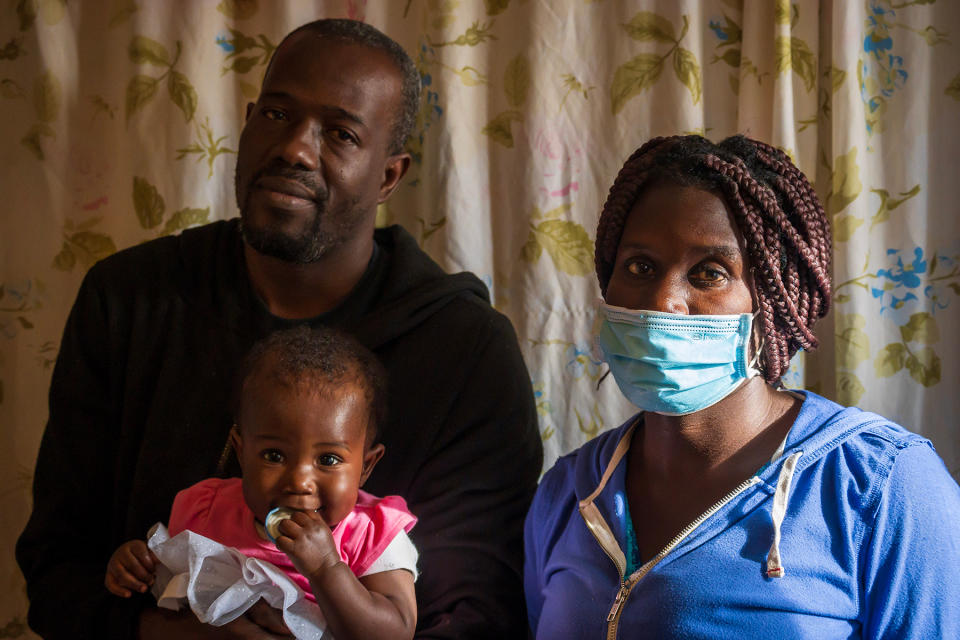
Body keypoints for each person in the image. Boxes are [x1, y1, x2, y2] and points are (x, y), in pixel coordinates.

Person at [17, 18, 541, 639]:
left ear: (388, 177)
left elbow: (480, 616)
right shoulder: (129, 300)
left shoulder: (465, 351)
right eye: (275, 115)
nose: (294, 148)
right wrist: (165, 633)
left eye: (341, 133)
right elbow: (56, 570)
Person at [523, 135, 960, 638]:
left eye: (710, 273)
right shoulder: (567, 494)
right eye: (640, 267)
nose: (665, 299)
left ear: (771, 303)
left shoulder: (881, 487)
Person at [106, 326, 418, 639]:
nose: (299, 481)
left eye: (328, 460)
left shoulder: (371, 536)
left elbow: (395, 633)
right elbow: (170, 589)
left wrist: (327, 569)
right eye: (274, 455)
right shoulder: (206, 510)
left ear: (366, 466)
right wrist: (136, 566)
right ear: (241, 452)